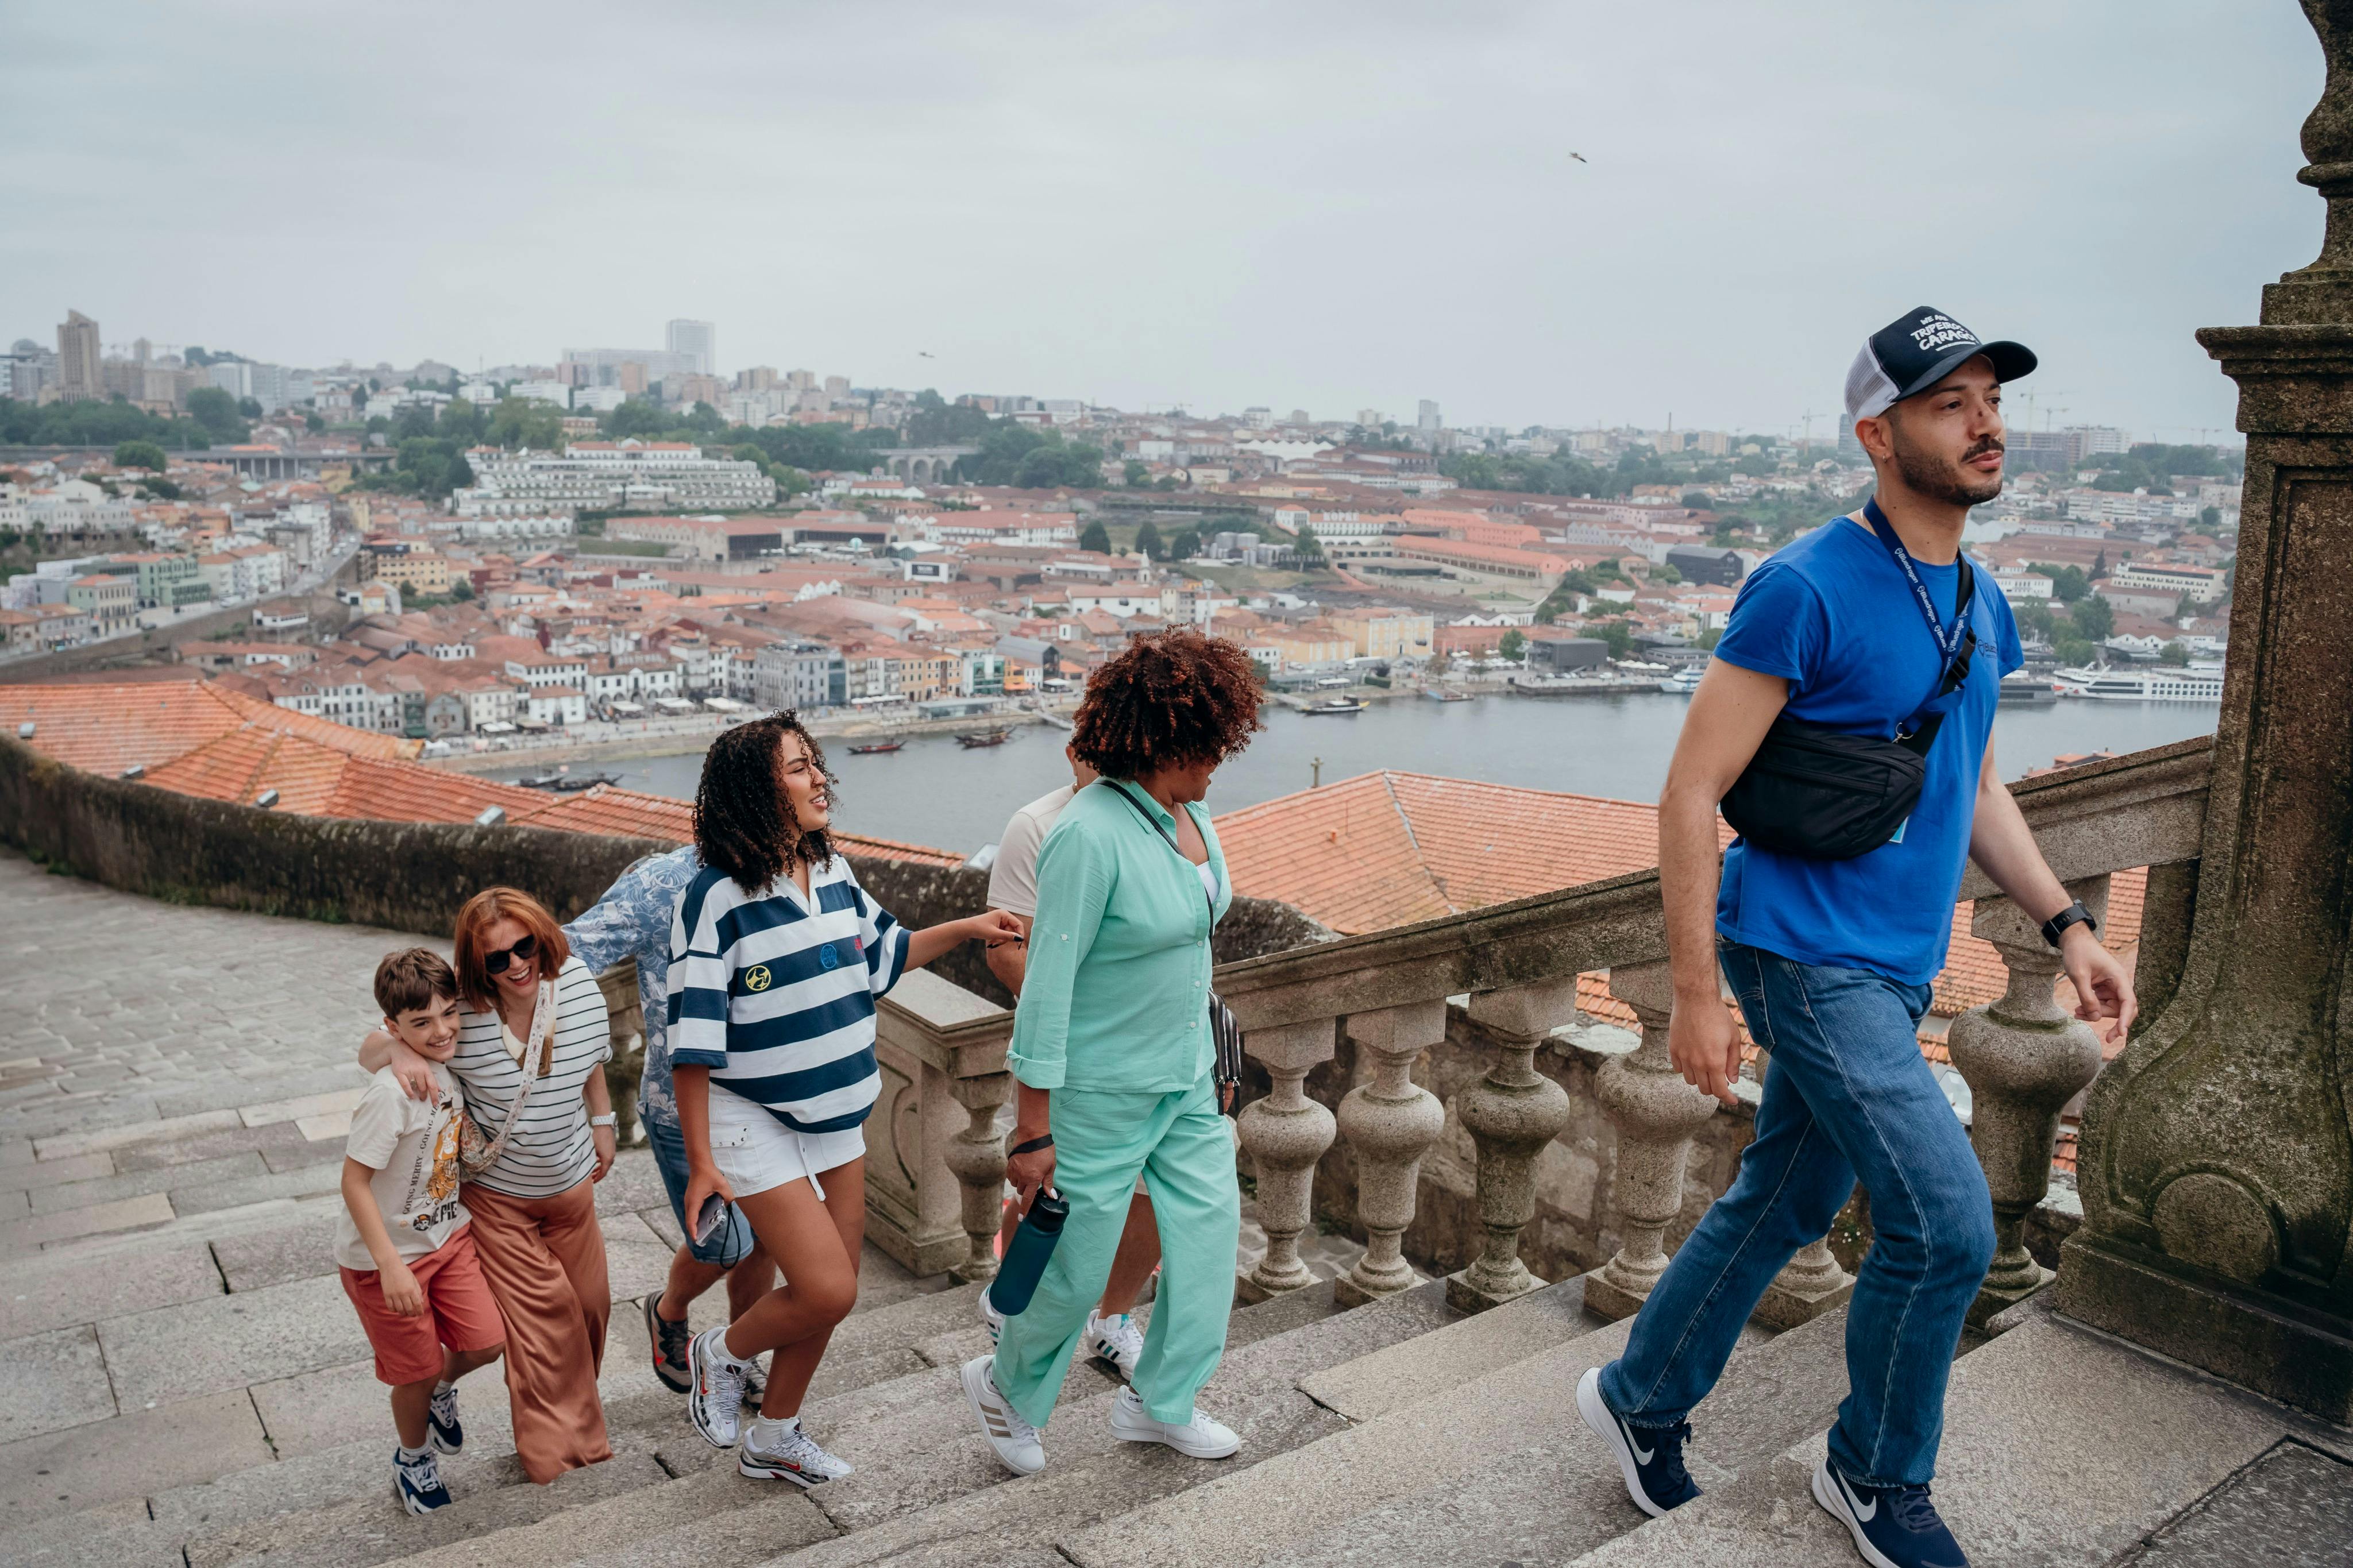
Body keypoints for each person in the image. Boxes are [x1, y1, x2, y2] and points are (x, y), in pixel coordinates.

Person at [1574, 307, 2136, 1568]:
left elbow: (1975, 787)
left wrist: (2065, 923)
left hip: (1893, 969)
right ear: (1876, 434)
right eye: (1950, 404)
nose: (1985, 423)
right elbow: (1688, 793)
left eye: (1992, 400)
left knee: (1785, 1194)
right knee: (1945, 1230)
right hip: (1800, 955)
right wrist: (1693, 991)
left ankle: (1635, 1400)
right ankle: (1871, 1474)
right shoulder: (1804, 585)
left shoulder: (1977, 597)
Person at [670, 712, 1021, 1486]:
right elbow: (690, 1043)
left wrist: (968, 926)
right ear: (755, 791)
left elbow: (884, 957)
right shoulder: (715, 899)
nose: (819, 777)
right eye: (797, 768)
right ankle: (720, 1352)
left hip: (837, 1113)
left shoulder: (834, 874)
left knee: (834, 1294)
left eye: (814, 763)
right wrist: (700, 1163)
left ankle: (776, 1435)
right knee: (826, 1284)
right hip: (750, 1117)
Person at [961, 627, 1261, 1478]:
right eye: (1210, 747)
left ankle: (1159, 1403)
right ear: (1167, 738)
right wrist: (1031, 1131)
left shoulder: (1189, 810)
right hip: (1097, 1088)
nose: (1218, 766)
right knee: (1074, 1264)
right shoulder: (1087, 835)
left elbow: (1191, 946)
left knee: (1207, 1246)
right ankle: (1006, 1386)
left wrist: (1213, 1053)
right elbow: (1046, 988)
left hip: (1186, 1078)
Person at [364, 887, 620, 1484]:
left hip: (572, 1184)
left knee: (590, 1311)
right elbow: (376, 1040)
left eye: (524, 947)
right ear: (474, 967)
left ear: (543, 939)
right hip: (499, 1198)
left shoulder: (578, 985)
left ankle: (449, 1389)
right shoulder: (463, 1008)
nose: (515, 965)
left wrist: (603, 1122)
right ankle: (559, 1455)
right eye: (496, 959)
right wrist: (397, 1051)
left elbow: (593, 1059)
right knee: (544, 1323)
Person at [561, 844, 780, 1405]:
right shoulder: (657, 884)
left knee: (767, 1243)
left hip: (772, 1102)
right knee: (723, 1245)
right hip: (682, 1107)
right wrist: (410, 1038)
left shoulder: (795, 871)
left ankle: (737, 1356)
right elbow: (561, 956)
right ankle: (668, 1309)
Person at [979, 741, 1163, 1382]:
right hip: (1067, 1052)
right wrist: (1071, 1029)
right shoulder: (1037, 825)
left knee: (1151, 1196)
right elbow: (1006, 951)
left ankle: (1111, 1321)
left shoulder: (1160, 814)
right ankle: (1010, 1298)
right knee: (1047, 1192)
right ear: (1072, 752)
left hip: (1149, 1051)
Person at [336, 949, 505, 1516]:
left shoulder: (451, 1061)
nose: (441, 1031)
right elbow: (354, 1183)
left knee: (486, 1342)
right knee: (416, 1368)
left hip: (447, 1237)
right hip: (385, 1259)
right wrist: (388, 1265)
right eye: (420, 1024)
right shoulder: (390, 1094)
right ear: (394, 1028)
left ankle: (439, 1394)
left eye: (448, 1014)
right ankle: (412, 1460)